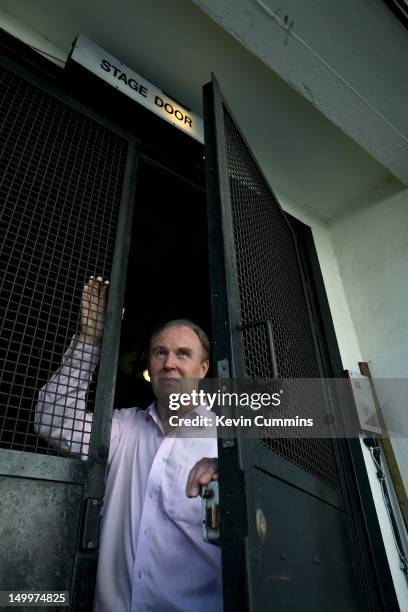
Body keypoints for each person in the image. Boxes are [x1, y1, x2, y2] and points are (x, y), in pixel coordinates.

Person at [34, 276, 221, 612]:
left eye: (183, 354)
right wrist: (90, 340)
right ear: (149, 365)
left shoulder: (226, 440)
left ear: (203, 368)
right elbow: (52, 419)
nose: (169, 363)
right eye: (159, 353)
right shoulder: (124, 427)